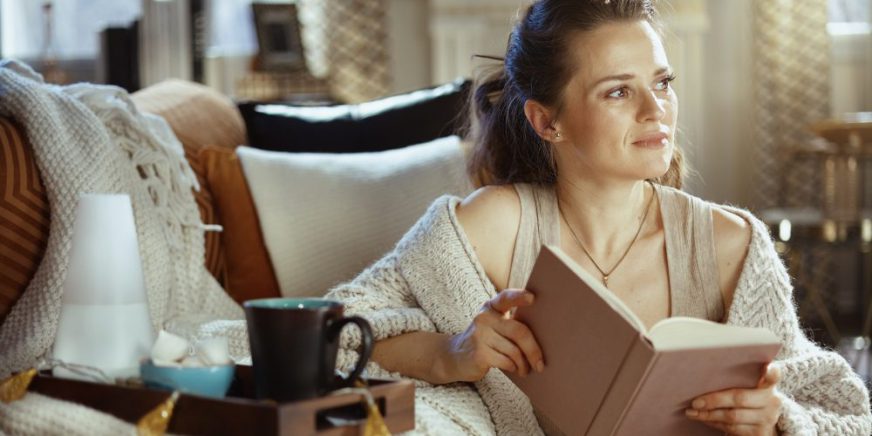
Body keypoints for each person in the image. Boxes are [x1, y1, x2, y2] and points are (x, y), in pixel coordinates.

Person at [326, 0, 872, 434]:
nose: (656, 110)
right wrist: (450, 353)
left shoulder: (730, 245)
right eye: (618, 91)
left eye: (662, 83)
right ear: (547, 122)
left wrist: (775, 419)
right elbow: (334, 334)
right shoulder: (486, 229)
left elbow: (843, 411)